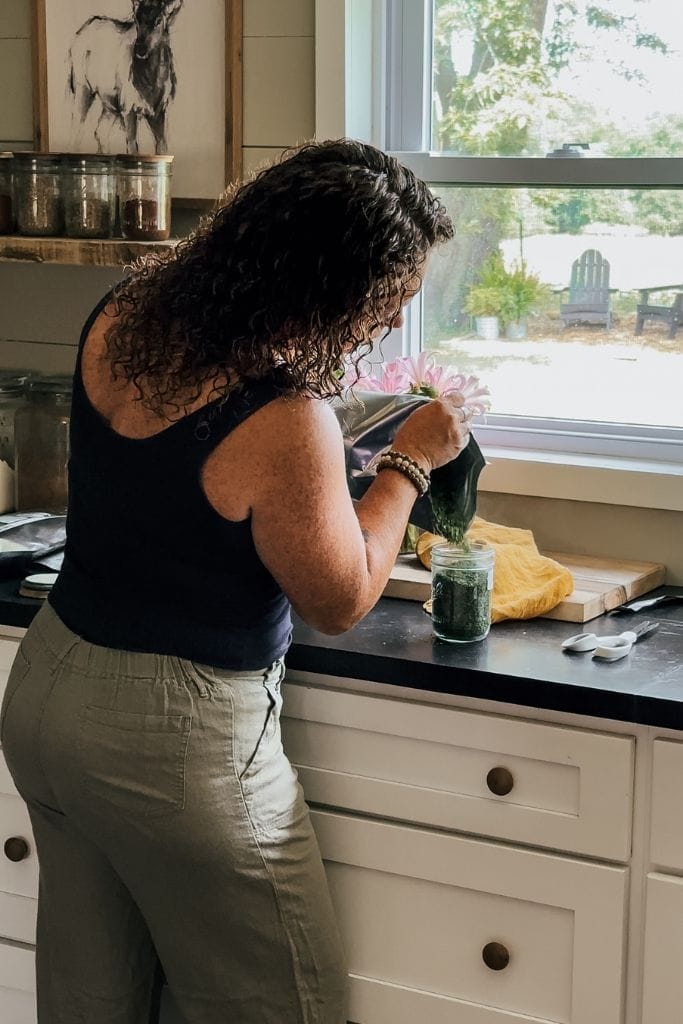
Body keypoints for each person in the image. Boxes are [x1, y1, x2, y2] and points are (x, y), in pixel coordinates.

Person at [0, 139, 471, 1024]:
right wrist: (409, 464)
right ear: (331, 294)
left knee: (94, 1000)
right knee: (285, 1004)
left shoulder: (129, 309)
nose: (387, 319)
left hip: (47, 688)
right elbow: (339, 598)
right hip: (168, 740)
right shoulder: (282, 420)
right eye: (385, 301)